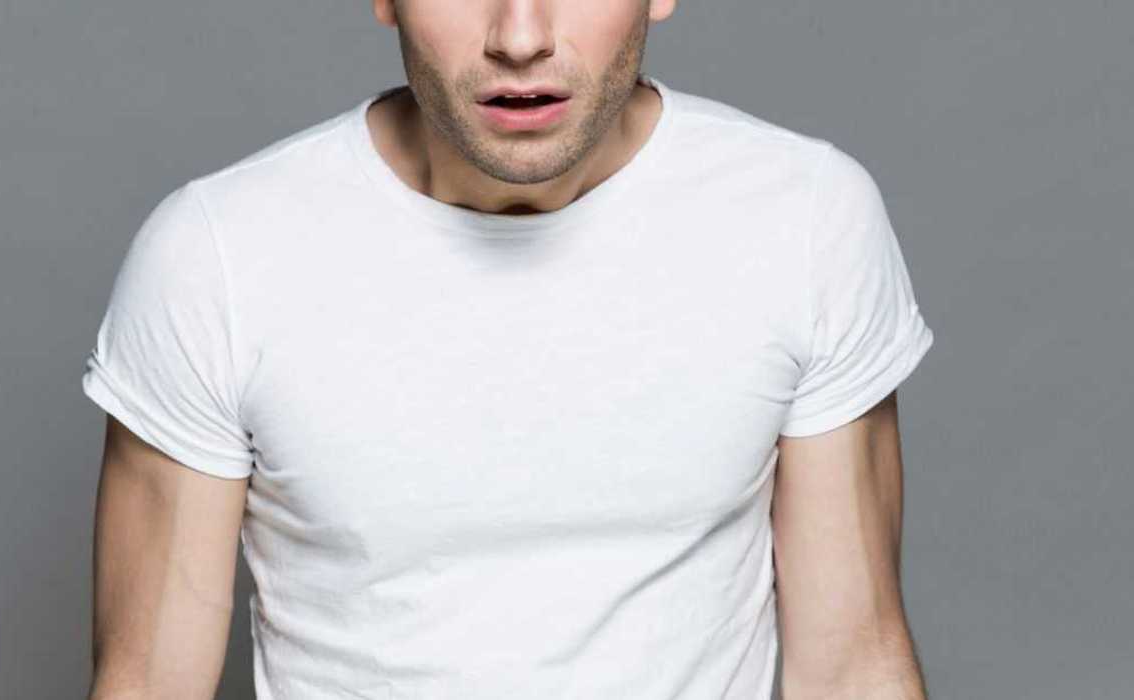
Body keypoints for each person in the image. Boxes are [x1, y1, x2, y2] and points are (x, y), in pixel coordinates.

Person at [82, 1, 934, 698]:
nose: (518, 38)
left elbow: (852, 665)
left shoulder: (804, 218)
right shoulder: (218, 254)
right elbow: (150, 685)